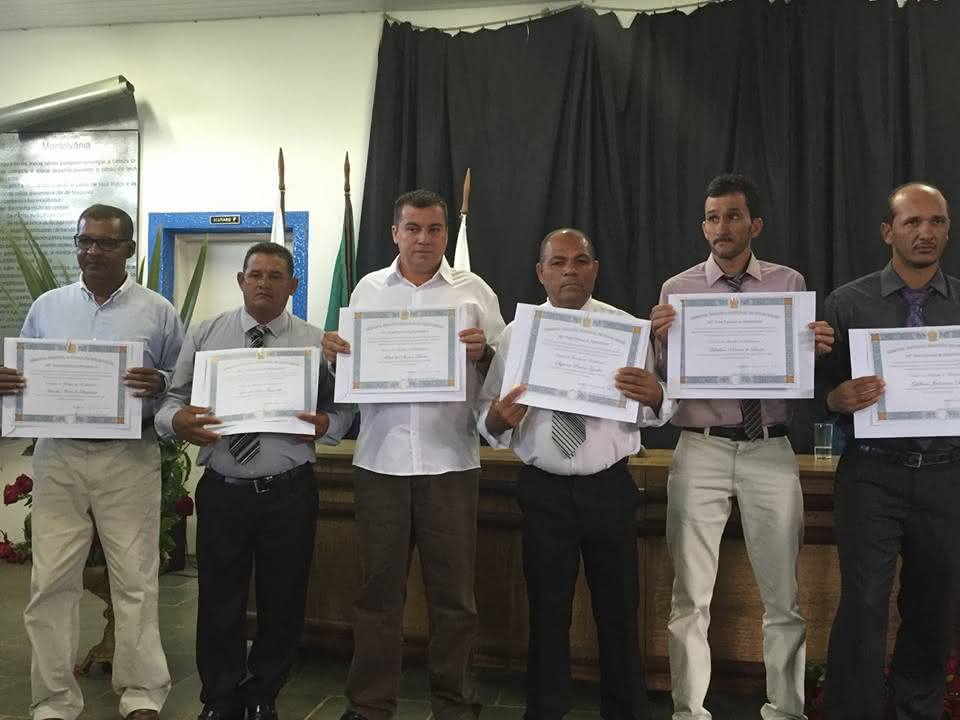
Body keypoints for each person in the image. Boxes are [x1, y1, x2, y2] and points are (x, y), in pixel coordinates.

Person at [650, 174, 834, 720]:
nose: (721, 227)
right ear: (703, 226)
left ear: (755, 224)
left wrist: (816, 349)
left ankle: (786, 710)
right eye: (712, 217)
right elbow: (659, 381)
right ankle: (689, 712)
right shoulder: (677, 290)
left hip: (770, 448)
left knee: (783, 598)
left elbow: (799, 368)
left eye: (732, 216)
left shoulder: (788, 282)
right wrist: (656, 343)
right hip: (699, 449)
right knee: (690, 597)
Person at [322, 189, 505, 720]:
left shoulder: (474, 291)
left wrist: (485, 354)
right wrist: (335, 357)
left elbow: (503, 371)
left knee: (454, 598)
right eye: (413, 228)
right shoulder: (368, 289)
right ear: (395, 233)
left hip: (451, 463)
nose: (424, 239)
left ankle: (455, 704)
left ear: (446, 233)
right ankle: (370, 704)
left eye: (434, 229)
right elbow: (349, 374)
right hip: (380, 462)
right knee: (378, 593)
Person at [477, 228, 672, 720]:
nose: (570, 270)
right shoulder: (516, 335)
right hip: (543, 491)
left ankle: (626, 712)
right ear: (540, 272)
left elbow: (651, 412)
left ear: (595, 270)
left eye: (580, 261)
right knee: (547, 612)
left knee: (619, 611)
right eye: (558, 262)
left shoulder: (627, 332)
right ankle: (545, 711)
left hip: (609, 488)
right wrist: (497, 419)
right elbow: (487, 414)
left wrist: (656, 396)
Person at [155, 242, 352, 720]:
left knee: (284, 597)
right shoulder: (206, 333)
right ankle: (220, 695)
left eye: (275, 275)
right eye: (255, 274)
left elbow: (343, 405)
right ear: (240, 281)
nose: (264, 283)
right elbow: (172, 399)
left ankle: (264, 691)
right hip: (224, 489)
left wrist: (329, 425)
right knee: (218, 597)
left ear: (293, 285)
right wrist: (177, 420)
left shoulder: (315, 342)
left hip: (289, 490)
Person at [0, 204, 182, 720]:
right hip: (58, 455)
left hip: (128, 455)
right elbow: (24, 373)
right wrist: (8, 382)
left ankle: (142, 693)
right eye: (84, 241)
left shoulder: (158, 311)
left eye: (105, 242)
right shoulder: (48, 307)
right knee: (51, 581)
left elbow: (181, 383)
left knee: (135, 579)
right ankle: (54, 699)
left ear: (129, 249)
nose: (93, 251)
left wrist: (162, 382)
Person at [818, 182, 960, 720]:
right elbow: (820, 388)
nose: (926, 232)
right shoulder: (848, 302)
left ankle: (917, 710)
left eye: (937, 222)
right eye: (912, 222)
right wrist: (835, 398)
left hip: (947, 474)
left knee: (934, 604)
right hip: (872, 473)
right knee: (864, 602)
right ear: (887, 231)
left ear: (947, 229)